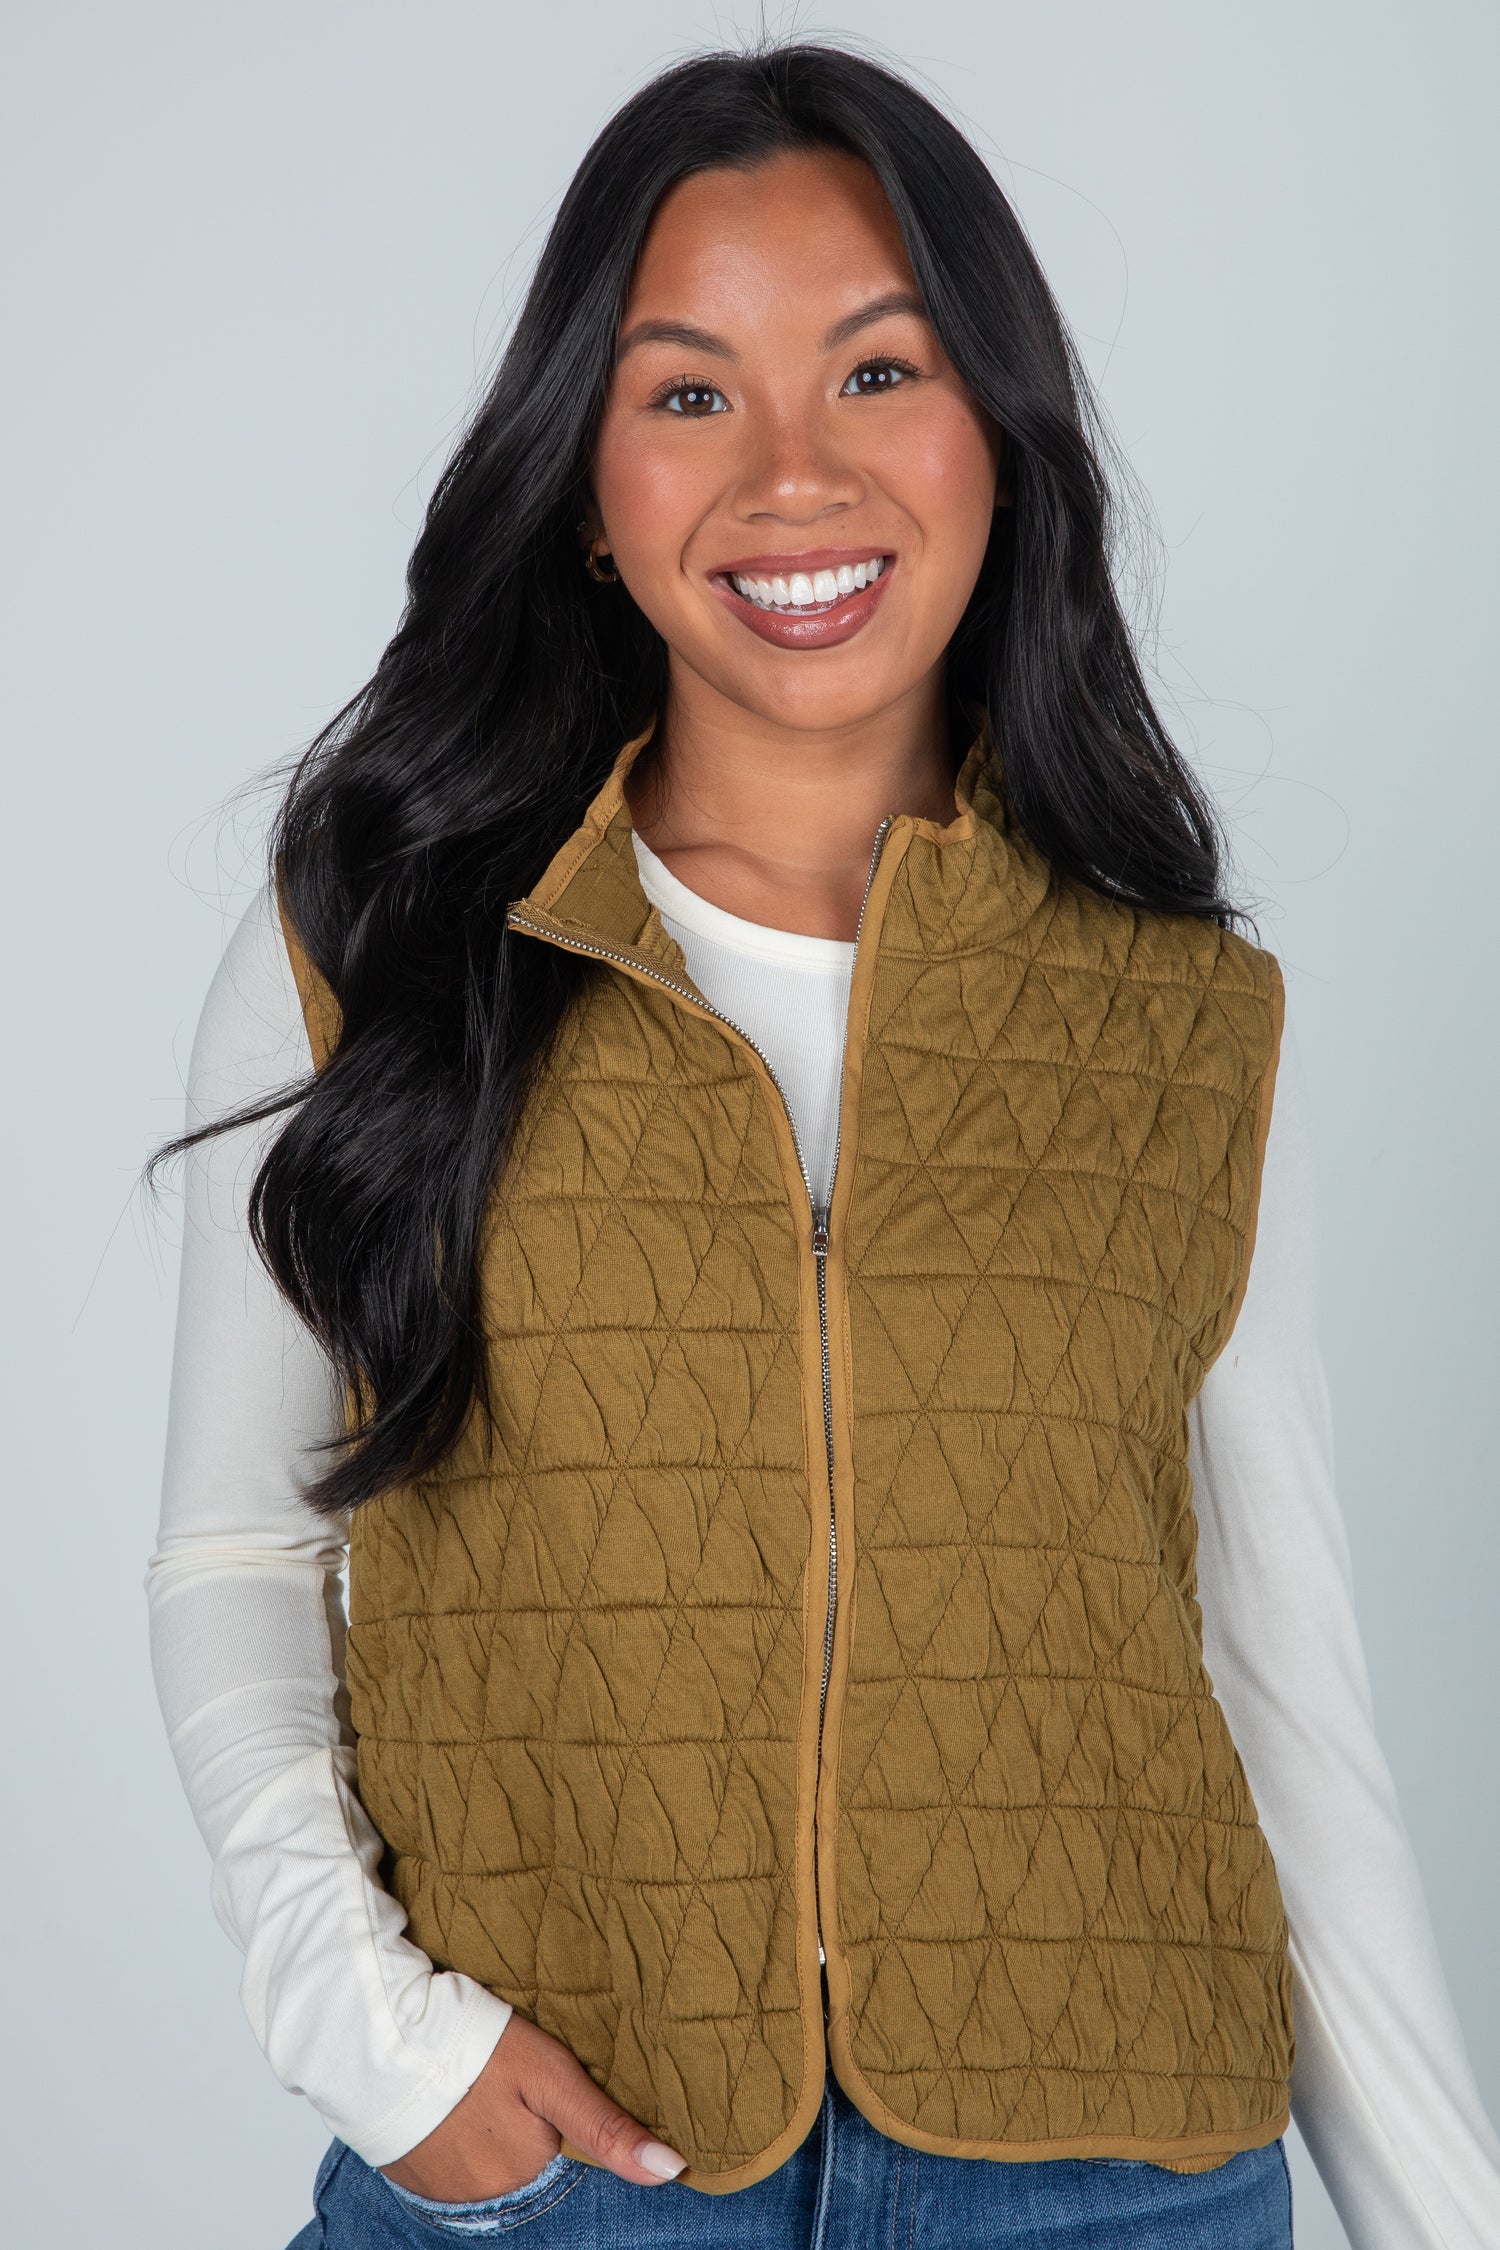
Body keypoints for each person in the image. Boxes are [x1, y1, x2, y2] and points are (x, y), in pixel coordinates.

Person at [147, 41, 1500, 2250]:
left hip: (1119, 2186)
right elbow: (234, 1556)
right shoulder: (373, 949)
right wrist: (372, 2039)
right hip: (576, 2176)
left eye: (880, 373)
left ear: (998, 434)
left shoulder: (1184, 1020)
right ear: (587, 483)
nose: (794, 474)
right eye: (689, 396)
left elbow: (1279, 1672)